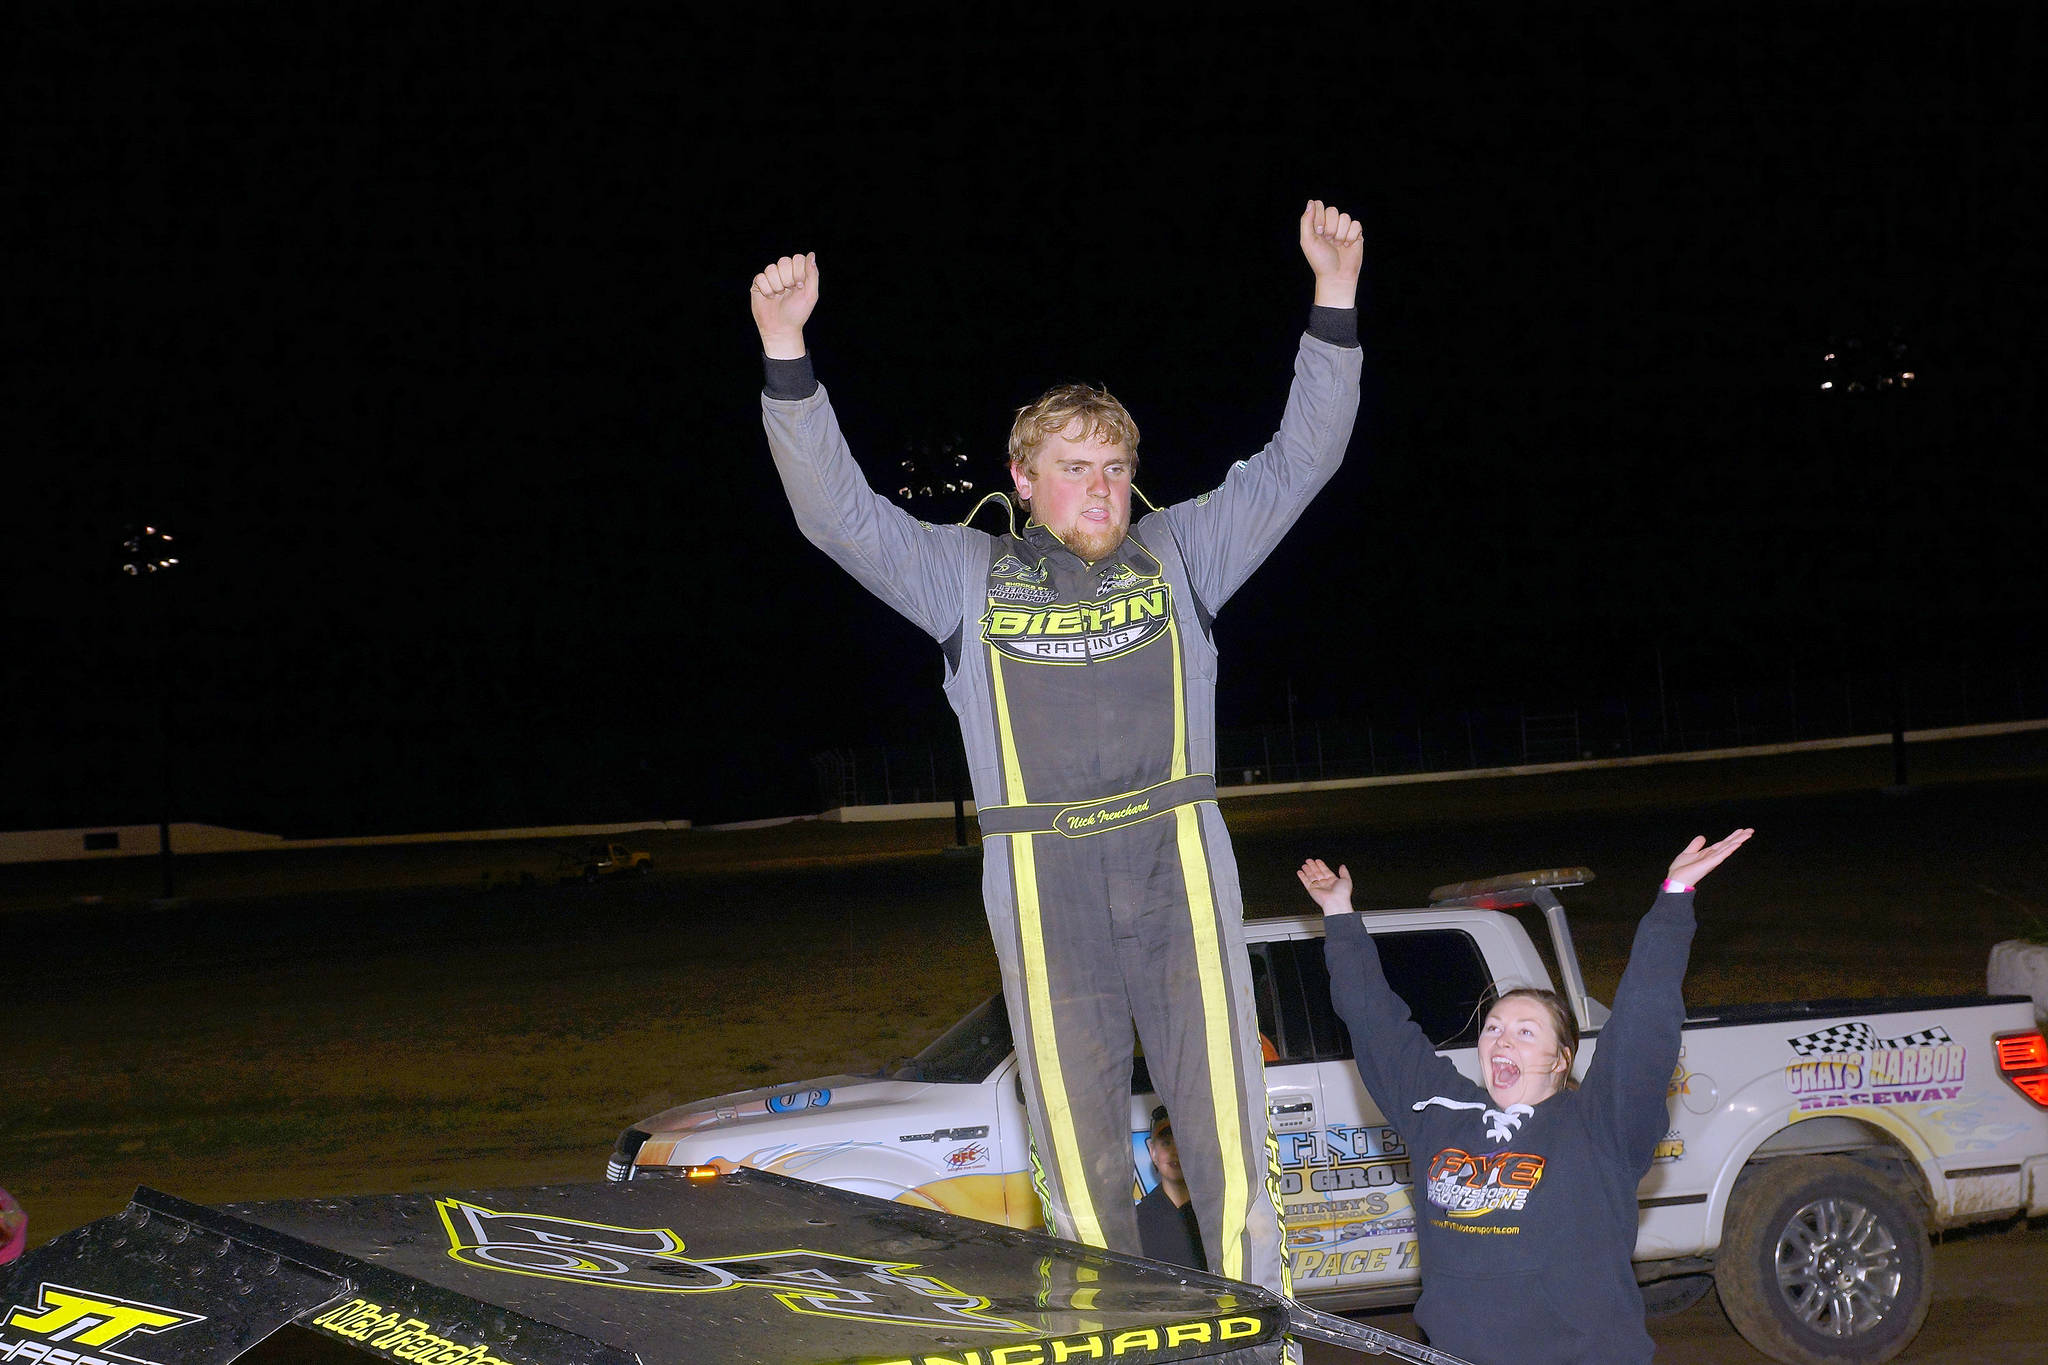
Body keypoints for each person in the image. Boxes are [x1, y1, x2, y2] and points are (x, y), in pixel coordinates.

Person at [751, 202, 1365, 1300]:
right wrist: (786, 354)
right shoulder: (966, 576)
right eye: (1074, 467)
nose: (1100, 487)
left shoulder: (1181, 551)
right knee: (1080, 1164)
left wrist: (1333, 299)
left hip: (1178, 856)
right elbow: (837, 516)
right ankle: (1110, 1337)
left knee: (1226, 1135)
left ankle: (1252, 1337)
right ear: (1023, 480)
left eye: (1115, 466)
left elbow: (1300, 460)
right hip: (1042, 876)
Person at [1298, 830, 1753, 1365]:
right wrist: (1340, 916)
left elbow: (1641, 1028)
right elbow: (1377, 1026)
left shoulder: (1599, 1127)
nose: (1501, 1040)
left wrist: (1673, 900)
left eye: (1525, 1032)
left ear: (1560, 1059)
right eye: (1493, 1028)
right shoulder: (1439, 1113)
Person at [1135, 1105, 1206, 1271]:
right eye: (1166, 1143)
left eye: (1182, 1142)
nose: (1175, 1151)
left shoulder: (1215, 1213)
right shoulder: (1137, 1221)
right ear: (1153, 1152)